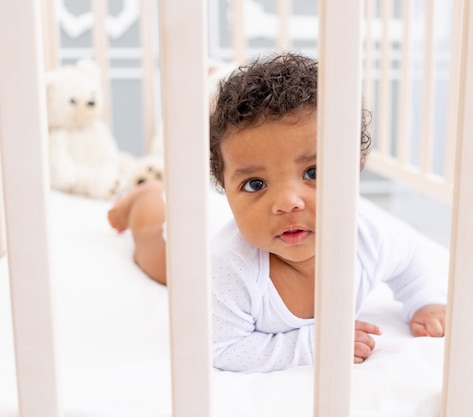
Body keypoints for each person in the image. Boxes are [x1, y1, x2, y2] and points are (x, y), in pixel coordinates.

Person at [108, 51, 447, 373]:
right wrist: (315, 346)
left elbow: (409, 260)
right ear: (223, 188)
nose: (287, 202)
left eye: (314, 173)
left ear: (355, 165)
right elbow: (220, 347)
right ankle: (145, 200)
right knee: (155, 253)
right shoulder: (227, 270)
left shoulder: (370, 237)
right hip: (193, 251)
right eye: (255, 184)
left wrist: (424, 301)